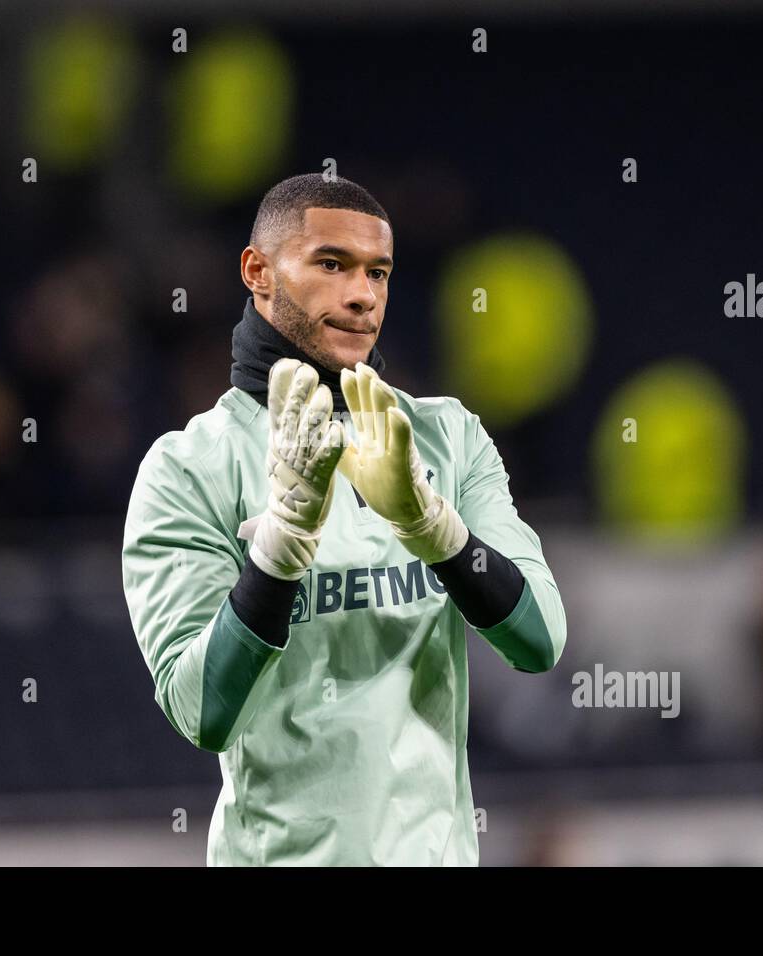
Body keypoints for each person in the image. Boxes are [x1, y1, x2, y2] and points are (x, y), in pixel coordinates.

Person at [122, 173, 567, 865]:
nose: (362, 295)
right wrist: (280, 548)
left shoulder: (447, 438)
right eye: (331, 264)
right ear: (258, 271)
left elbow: (540, 639)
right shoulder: (188, 467)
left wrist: (435, 530)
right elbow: (203, 711)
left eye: (378, 273)